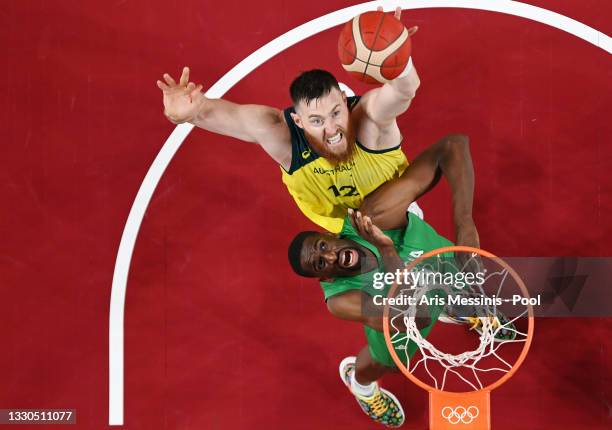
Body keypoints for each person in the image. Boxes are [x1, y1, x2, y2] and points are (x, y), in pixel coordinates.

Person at [156, 8, 448, 233]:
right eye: (317, 120)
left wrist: (398, 57)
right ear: (297, 121)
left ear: (347, 105)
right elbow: (214, 113)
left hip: (399, 218)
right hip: (345, 235)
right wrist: (185, 113)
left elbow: (405, 89)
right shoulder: (280, 136)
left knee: (441, 291)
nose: (332, 129)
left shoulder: (370, 121)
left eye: (336, 113)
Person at [287, 134, 478, 427]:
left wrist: (465, 225)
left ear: (331, 235)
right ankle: (360, 385)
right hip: (402, 328)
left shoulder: (371, 217)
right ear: (324, 277)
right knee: (384, 364)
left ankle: (456, 307)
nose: (330, 257)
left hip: (443, 274)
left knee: (462, 286)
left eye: (324, 247)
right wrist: (388, 250)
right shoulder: (341, 301)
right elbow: (418, 317)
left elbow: (453, 146)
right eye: (320, 264)